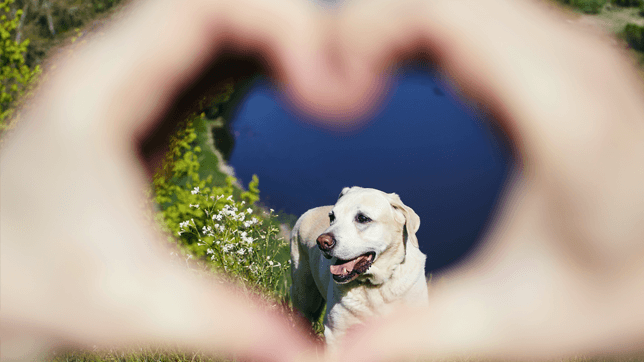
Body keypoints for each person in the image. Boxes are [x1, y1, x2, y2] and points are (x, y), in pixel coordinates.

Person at [2, 0, 643, 360]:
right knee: (305, 314)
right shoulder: (322, 245)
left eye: (360, 221)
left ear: (403, 224)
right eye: (337, 220)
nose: (332, 236)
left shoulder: (411, 269)